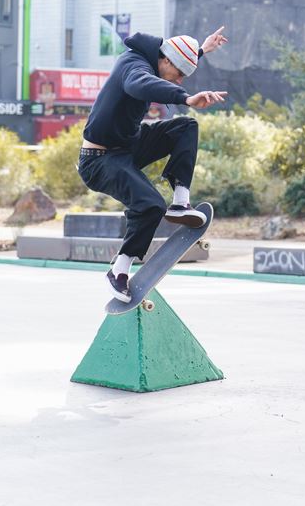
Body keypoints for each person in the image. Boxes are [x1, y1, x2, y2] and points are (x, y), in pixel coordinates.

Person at [78, 26, 229, 303]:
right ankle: (119, 271)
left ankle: (181, 202)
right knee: (149, 205)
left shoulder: (162, 60)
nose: (180, 82)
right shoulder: (132, 65)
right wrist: (183, 98)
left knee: (185, 128)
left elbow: (174, 62)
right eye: (179, 75)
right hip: (99, 160)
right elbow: (140, 84)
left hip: (128, 146)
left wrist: (201, 50)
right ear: (166, 62)